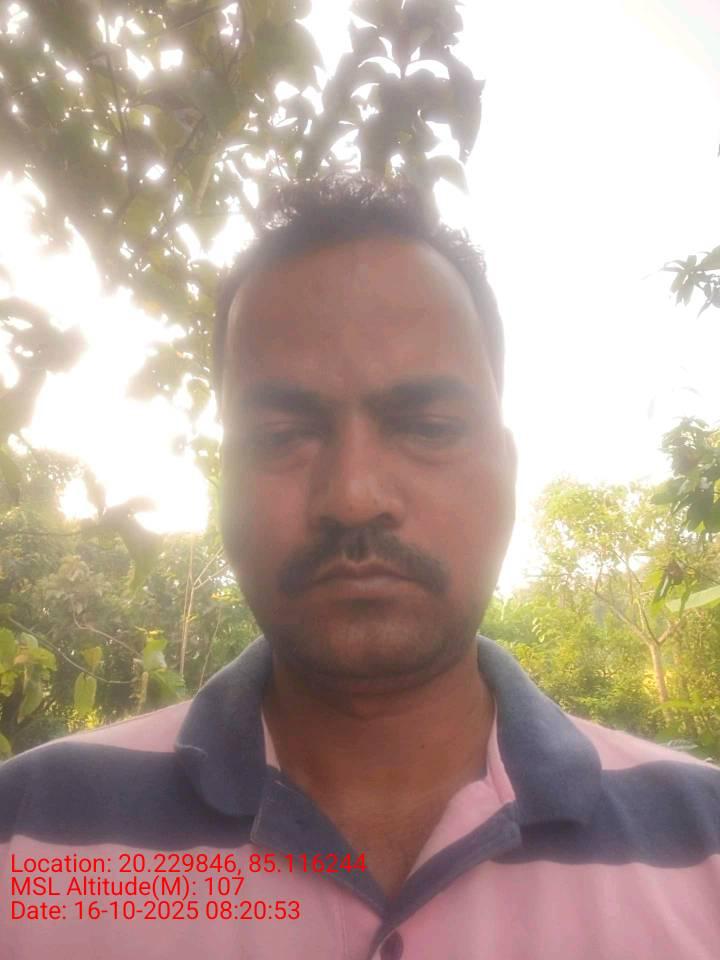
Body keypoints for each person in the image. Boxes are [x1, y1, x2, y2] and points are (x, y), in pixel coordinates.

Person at [1, 172, 719, 960]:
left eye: (428, 426)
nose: (352, 496)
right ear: (223, 482)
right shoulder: (24, 837)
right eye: (281, 436)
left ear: (509, 473)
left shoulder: (705, 845)